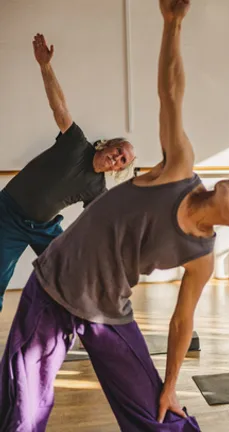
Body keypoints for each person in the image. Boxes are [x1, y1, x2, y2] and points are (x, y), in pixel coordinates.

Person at [0, 1, 229, 429]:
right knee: (22, 409)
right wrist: (172, 23)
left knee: (158, 410)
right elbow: (170, 95)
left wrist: (172, 383)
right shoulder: (179, 167)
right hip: (52, 286)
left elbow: (182, 321)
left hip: (108, 310)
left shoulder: (202, 255)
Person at [0, 33, 136, 313]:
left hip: (44, 228)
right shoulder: (76, 144)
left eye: (122, 161)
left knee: (71, 273)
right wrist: (45, 66)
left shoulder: (97, 188)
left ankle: (87, 328)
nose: (117, 158)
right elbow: (59, 106)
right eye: (118, 150)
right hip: (8, 216)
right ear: (108, 144)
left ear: (118, 168)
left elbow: (104, 223)